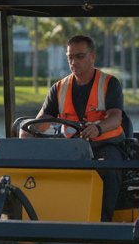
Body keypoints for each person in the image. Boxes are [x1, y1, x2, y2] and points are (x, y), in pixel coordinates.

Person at [21, 34, 129, 220]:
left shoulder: (109, 84)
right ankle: (46, 219)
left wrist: (98, 128)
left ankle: (103, 224)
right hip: (72, 149)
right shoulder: (59, 88)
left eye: (79, 56)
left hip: (106, 146)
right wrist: (26, 132)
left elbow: (116, 118)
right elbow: (42, 120)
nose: (74, 62)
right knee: (41, 166)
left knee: (110, 168)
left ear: (92, 56)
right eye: (70, 57)